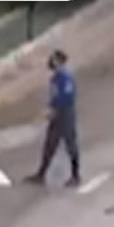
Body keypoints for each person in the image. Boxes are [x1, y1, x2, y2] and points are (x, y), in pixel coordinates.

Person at [26, 50, 80, 187]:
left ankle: (75, 175)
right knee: (50, 144)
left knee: (70, 144)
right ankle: (41, 174)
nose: (51, 62)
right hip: (57, 114)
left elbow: (67, 97)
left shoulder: (65, 77)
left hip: (65, 114)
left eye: (54, 59)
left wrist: (55, 110)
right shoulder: (56, 78)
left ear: (60, 61)